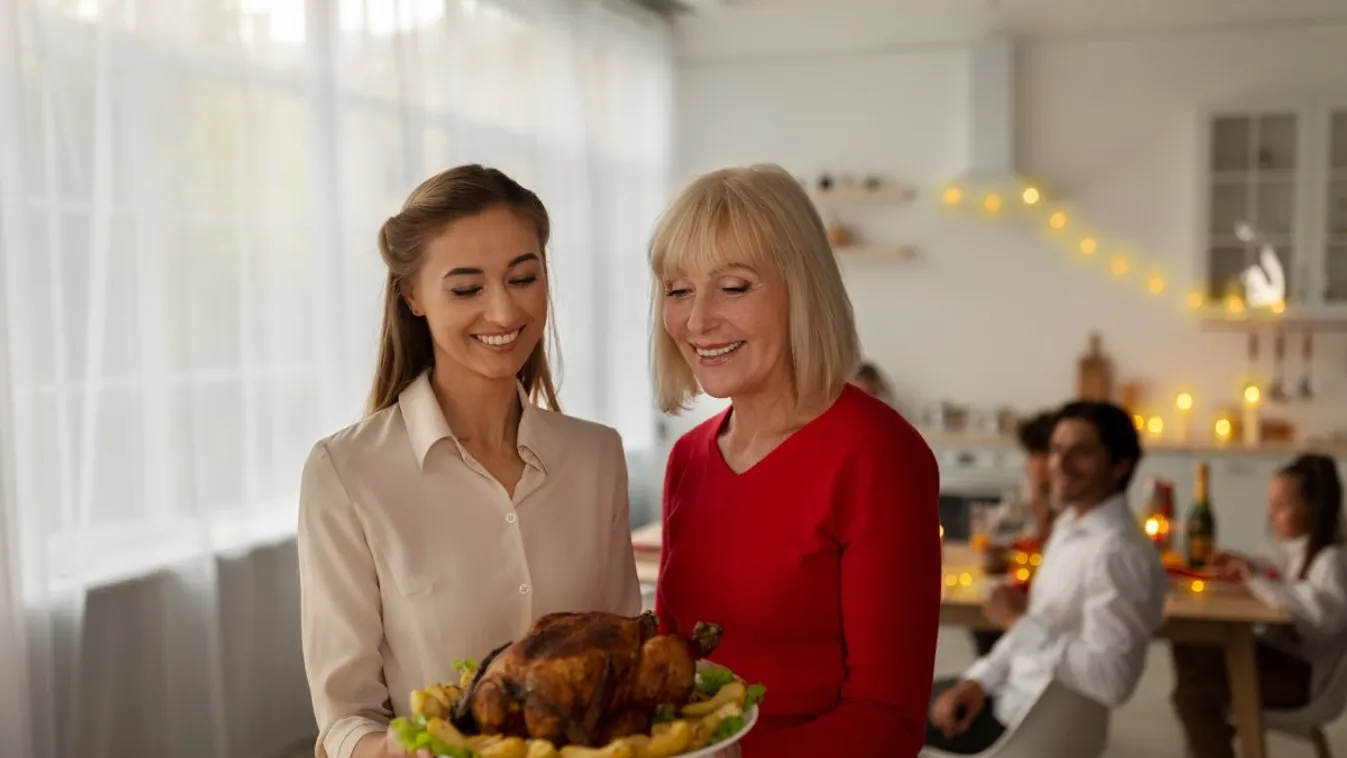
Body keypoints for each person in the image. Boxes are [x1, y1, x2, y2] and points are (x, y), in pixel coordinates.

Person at [297, 165, 642, 758]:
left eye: (523, 277)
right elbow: (346, 718)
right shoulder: (346, 473)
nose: (504, 312)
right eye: (466, 289)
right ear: (413, 296)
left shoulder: (596, 456)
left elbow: (621, 659)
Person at [649, 163, 942, 758]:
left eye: (733, 287)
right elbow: (671, 671)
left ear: (801, 289)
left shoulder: (879, 455)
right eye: (678, 290)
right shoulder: (688, 458)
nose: (697, 319)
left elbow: (888, 725)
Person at [926, 401, 1169, 754]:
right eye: (1056, 449)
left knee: (877, 715)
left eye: (1081, 452)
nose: (1060, 464)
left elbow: (1113, 680)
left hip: (1026, 725)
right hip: (1005, 696)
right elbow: (1032, 629)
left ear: (1120, 465)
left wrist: (1018, 621)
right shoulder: (1072, 526)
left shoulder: (1116, 554)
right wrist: (978, 681)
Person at [1171, 453, 1347, 758]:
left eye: (1281, 506)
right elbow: (1274, 569)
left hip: (1303, 678)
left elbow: (1324, 618)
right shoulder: (1296, 550)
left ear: (1313, 508)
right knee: (1192, 649)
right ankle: (1207, 738)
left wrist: (1255, 578)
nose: (1271, 515)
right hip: (1287, 664)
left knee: (1194, 694)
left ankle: (1208, 734)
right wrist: (1246, 565)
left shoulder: (1331, 559)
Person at [970, 409, 1058, 658]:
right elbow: (999, 527)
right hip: (1021, 580)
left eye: (1034, 456)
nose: (1027, 464)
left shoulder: (1074, 502)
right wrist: (1002, 548)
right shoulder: (1027, 490)